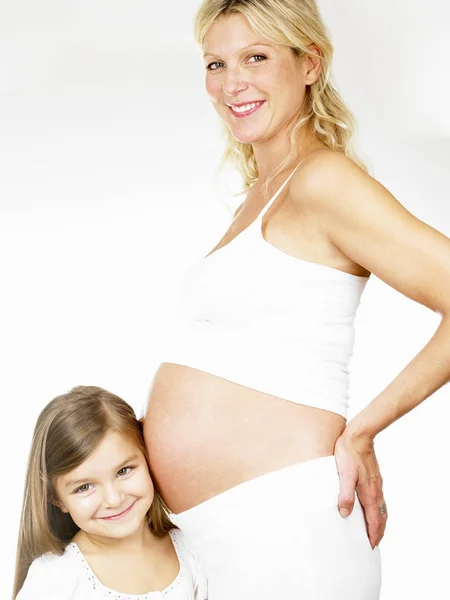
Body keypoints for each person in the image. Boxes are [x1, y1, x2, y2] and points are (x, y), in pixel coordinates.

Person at [143, 1, 450, 599]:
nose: (232, 83)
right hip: (213, 536)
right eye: (216, 63)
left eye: (256, 57)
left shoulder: (322, 180)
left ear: (309, 63)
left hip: (287, 530)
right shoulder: (262, 192)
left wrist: (363, 431)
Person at [13, 386, 207, 600]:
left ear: (148, 457)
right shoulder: (54, 580)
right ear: (57, 498)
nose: (114, 499)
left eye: (124, 471)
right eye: (84, 487)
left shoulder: (189, 551)